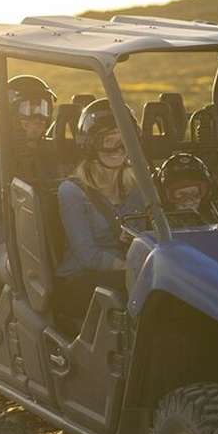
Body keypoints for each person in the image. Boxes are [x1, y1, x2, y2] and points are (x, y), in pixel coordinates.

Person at [54, 98, 144, 326]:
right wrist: (133, 268)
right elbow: (88, 255)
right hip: (80, 278)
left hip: (125, 272)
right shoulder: (72, 191)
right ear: (91, 145)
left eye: (123, 140)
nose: (117, 150)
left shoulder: (138, 187)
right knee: (141, 287)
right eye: (108, 141)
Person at [0, 75, 57, 285]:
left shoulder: (51, 157)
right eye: (29, 110)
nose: (39, 117)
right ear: (9, 117)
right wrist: (28, 241)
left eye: (43, 108)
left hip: (51, 240)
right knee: (23, 262)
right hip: (9, 247)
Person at [155, 152, 218, 223]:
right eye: (180, 194)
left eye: (194, 193)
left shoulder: (213, 218)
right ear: (166, 197)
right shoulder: (159, 225)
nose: (188, 199)